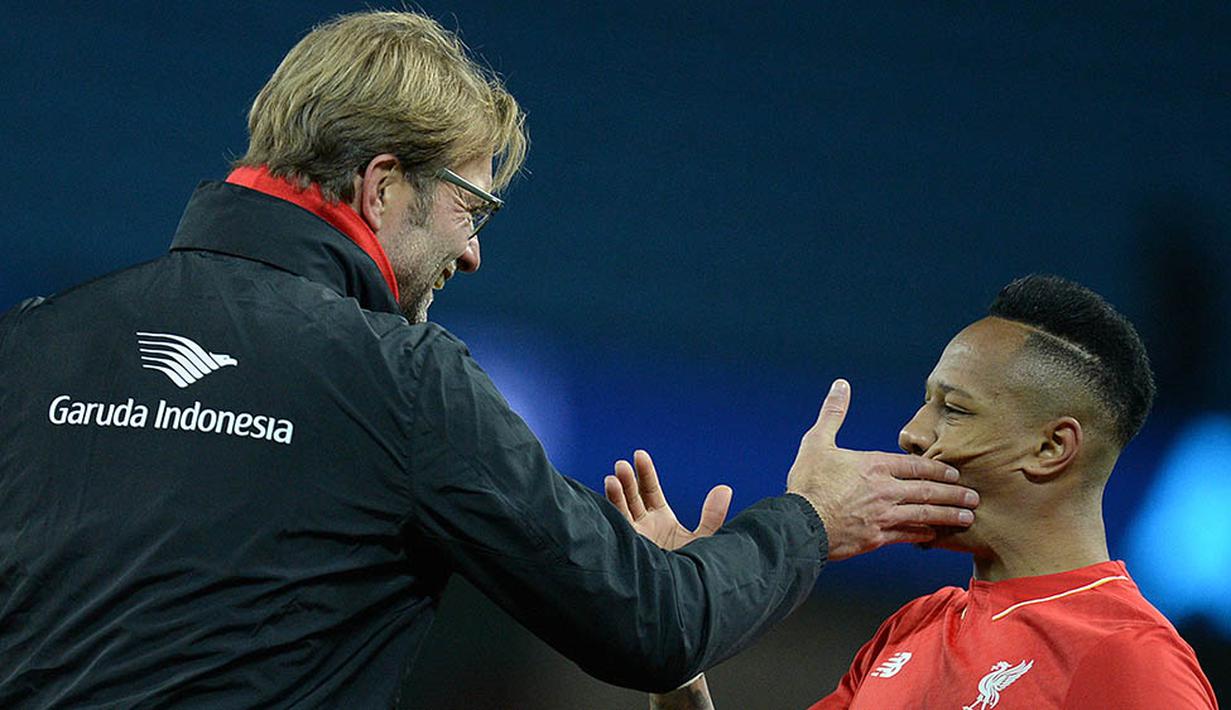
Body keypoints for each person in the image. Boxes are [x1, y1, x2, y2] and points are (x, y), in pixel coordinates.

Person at [0, 10, 979, 707]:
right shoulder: (402, 379)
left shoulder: (30, 343)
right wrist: (809, 518)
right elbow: (656, 625)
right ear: (382, 184)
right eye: (471, 207)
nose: (473, 252)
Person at [621, 275, 1218, 709]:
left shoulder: (1128, 659)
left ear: (1051, 448)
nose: (912, 433)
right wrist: (680, 654)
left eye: (953, 410)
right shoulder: (912, 628)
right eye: (926, 401)